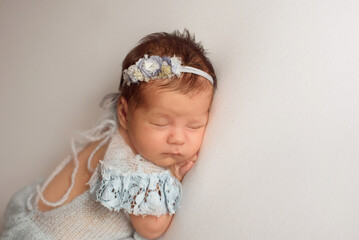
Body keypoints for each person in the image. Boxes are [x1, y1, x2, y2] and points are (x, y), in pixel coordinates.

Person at [1, 29, 217, 240]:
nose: (177, 138)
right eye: (160, 123)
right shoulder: (127, 163)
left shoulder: (118, 133)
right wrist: (172, 176)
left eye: (194, 125)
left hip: (32, 214)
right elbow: (151, 228)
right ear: (124, 113)